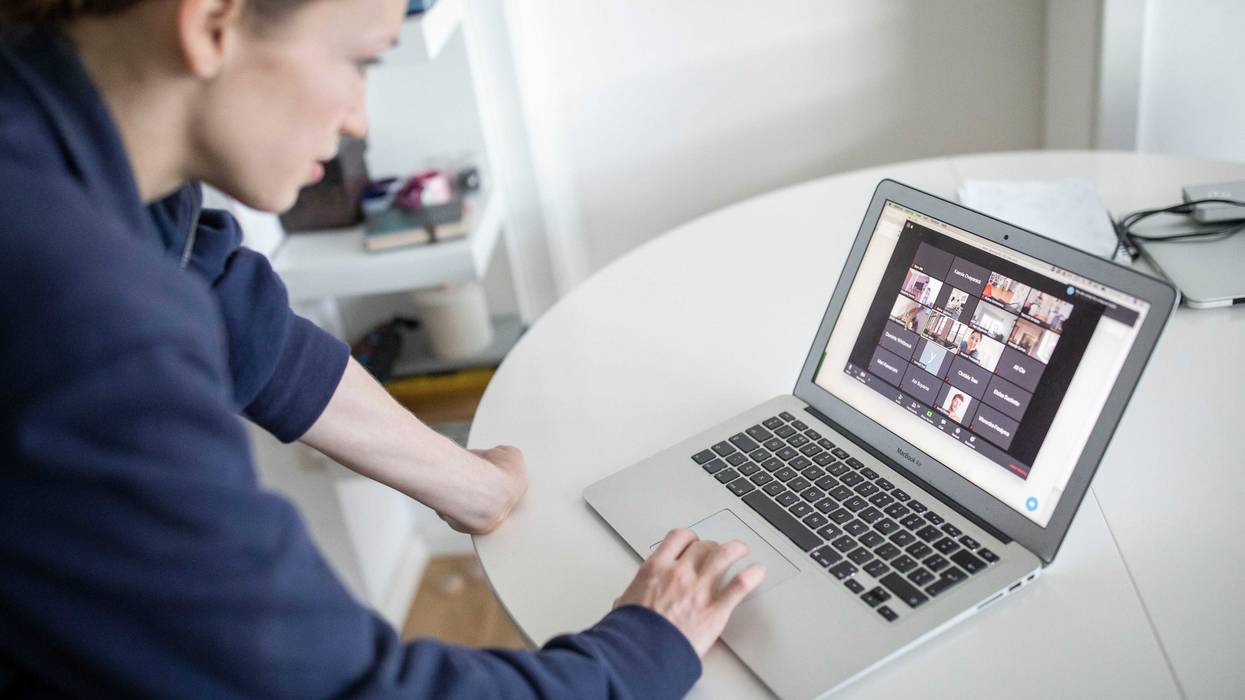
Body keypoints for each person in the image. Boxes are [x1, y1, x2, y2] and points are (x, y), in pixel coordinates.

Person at [0, 0, 764, 696]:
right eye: (361, 60)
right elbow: (346, 690)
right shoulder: (80, 314)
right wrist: (645, 646)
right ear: (212, 24)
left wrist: (467, 482)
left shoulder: (68, 144)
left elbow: (226, 305)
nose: (359, 120)